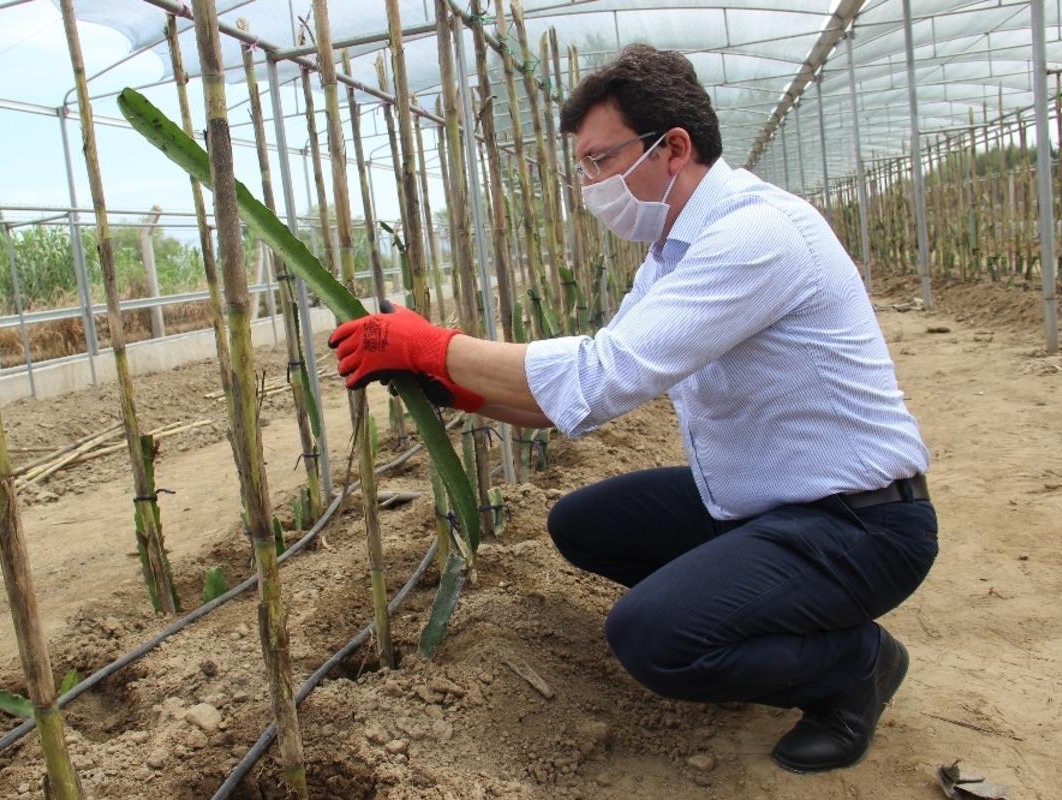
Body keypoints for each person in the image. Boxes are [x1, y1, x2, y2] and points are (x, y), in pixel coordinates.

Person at [328, 45, 938, 774]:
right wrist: (450, 383)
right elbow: (569, 401)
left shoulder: (757, 235)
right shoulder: (670, 256)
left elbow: (602, 373)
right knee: (585, 525)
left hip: (861, 524)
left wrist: (434, 345)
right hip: (765, 503)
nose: (589, 184)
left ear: (672, 147)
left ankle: (854, 665)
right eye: (581, 167)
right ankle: (762, 624)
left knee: (652, 637)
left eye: (599, 160)